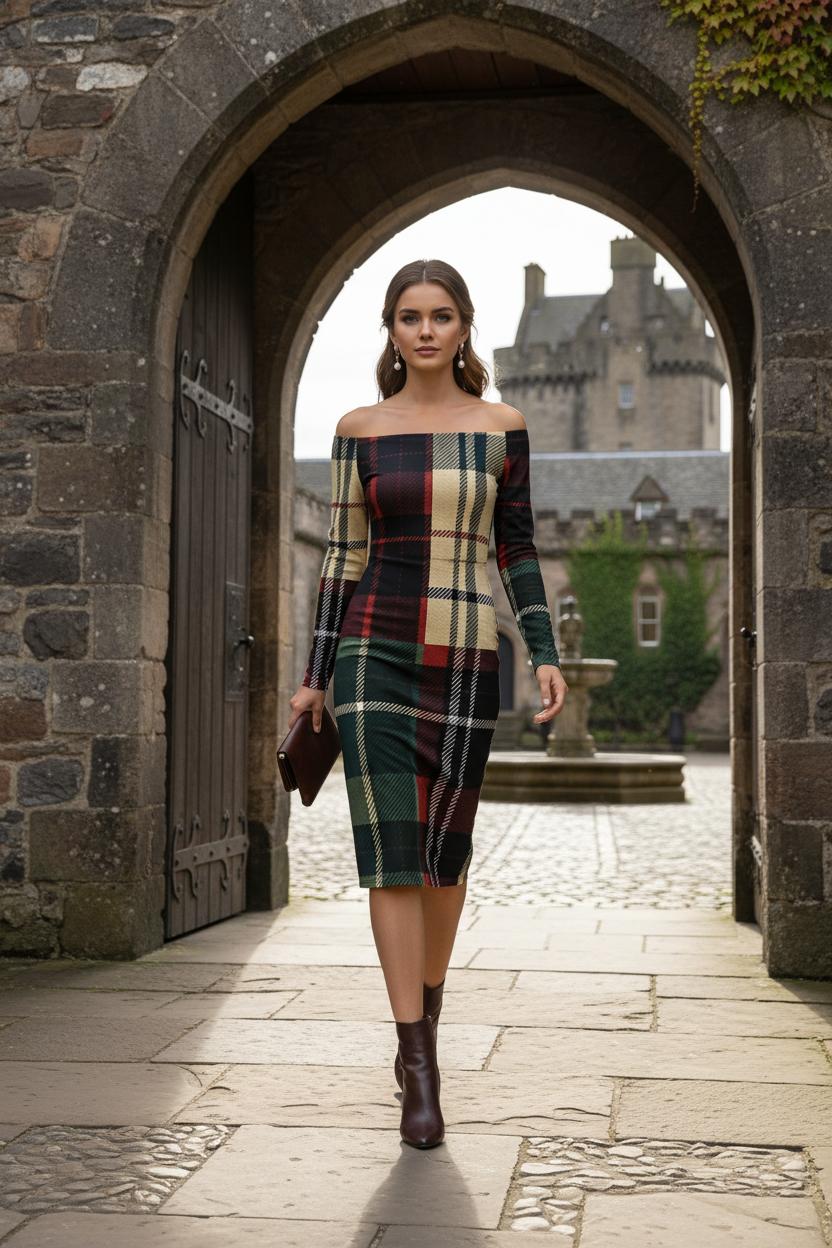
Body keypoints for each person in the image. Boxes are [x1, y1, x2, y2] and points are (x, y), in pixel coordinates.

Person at [287, 258, 568, 1149]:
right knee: (391, 856)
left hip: (465, 654)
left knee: (445, 856)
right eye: (410, 317)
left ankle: (426, 1018)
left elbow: (516, 547)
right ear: (392, 330)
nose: (425, 331)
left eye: (441, 316)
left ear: (464, 327)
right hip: (372, 653)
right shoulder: (359, 431)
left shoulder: (501, 427)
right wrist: (315, 674)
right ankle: (419, 1065)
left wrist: (545, 651)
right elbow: (340, 557)